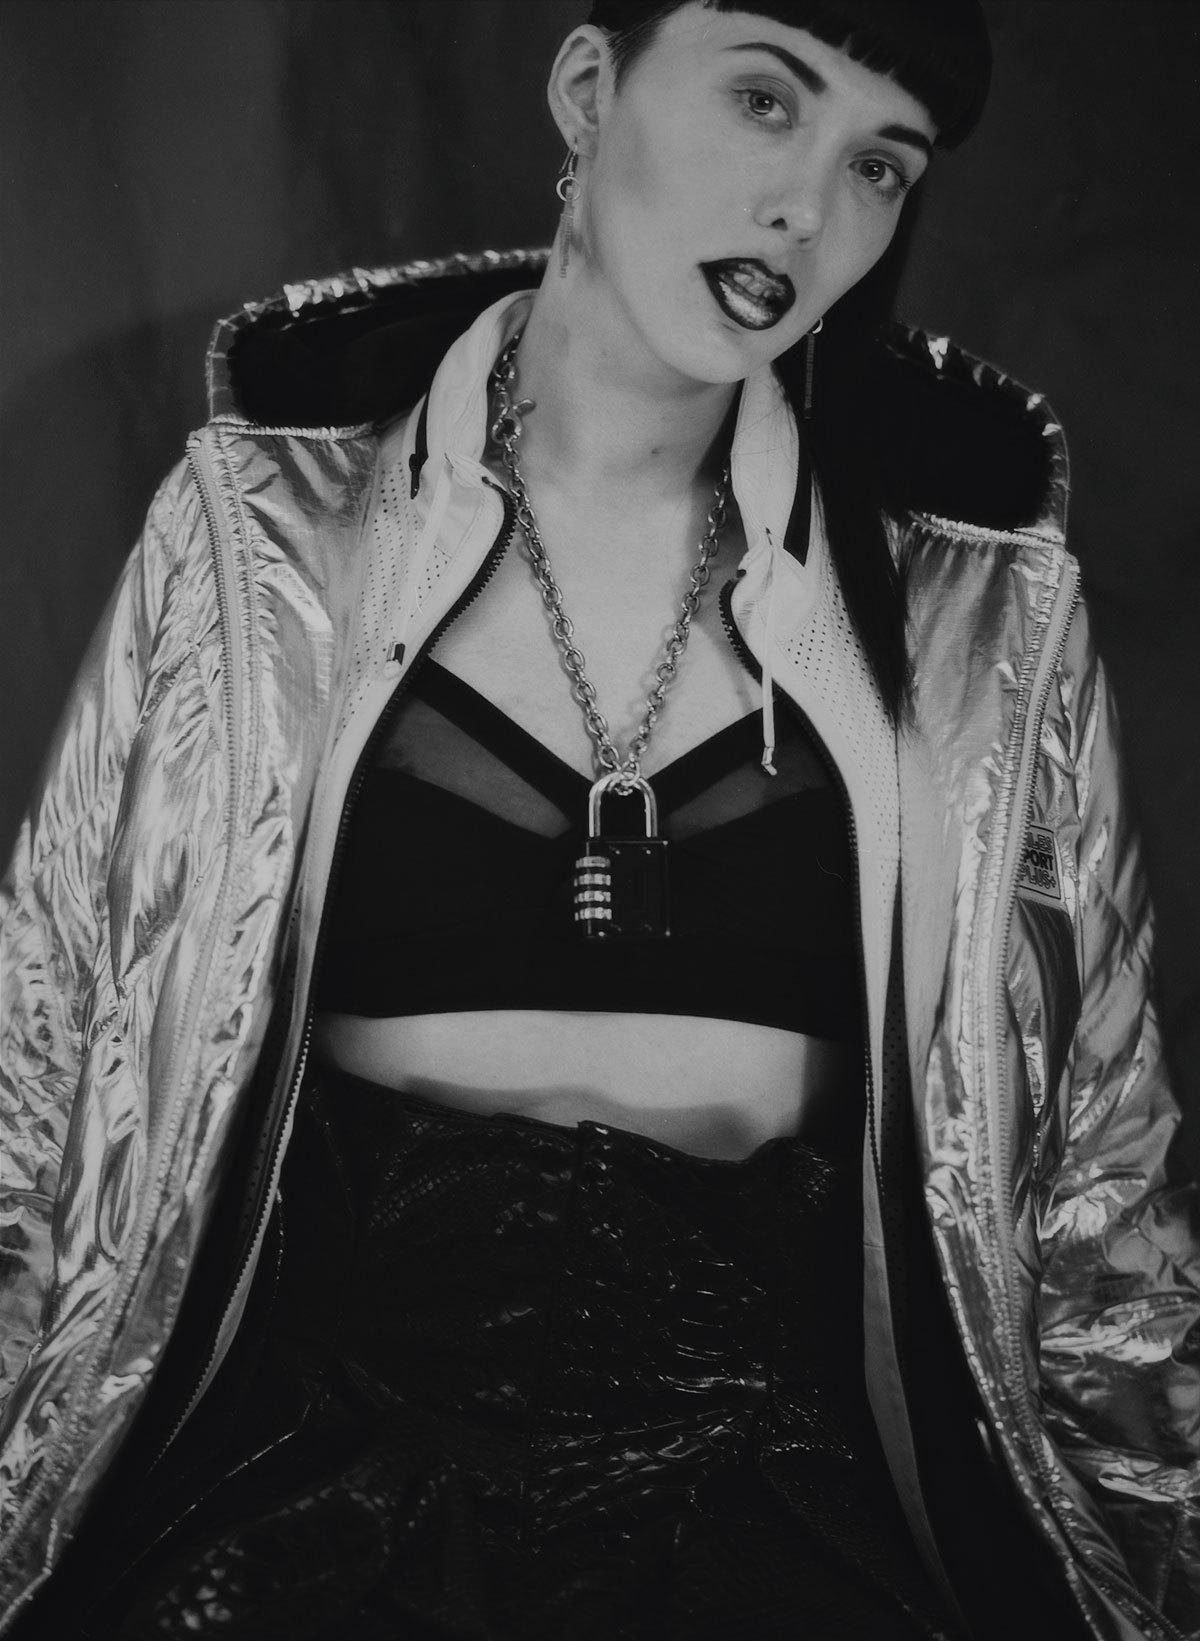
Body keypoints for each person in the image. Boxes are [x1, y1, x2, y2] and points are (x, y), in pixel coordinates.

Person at [0, 0, 1197, 1636]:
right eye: (765, 100)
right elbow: (48, 1036)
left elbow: (1101, 1173)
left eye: (880, 166)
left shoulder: (975, 609)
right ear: (586, 88)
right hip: (322, 1447)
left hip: (772, 1478)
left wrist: (1153, 1578)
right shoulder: (263, 534)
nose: (807, 206)